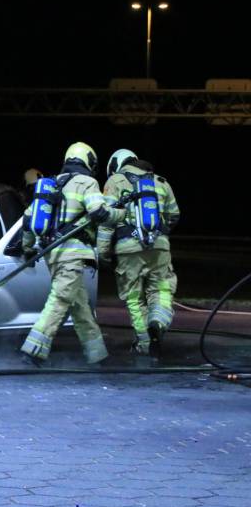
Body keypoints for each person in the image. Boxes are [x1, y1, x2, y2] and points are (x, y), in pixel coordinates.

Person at [20, 142, 126, 366]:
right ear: (89, 161)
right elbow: (99, 211)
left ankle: (97, 355)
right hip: (72, 253)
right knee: (59, 300)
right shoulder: (87, 182)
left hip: (53, 254)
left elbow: (29, 221)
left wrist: (27, 249)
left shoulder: (52, 185)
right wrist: (120, 214)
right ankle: (32, 351)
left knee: (80, 307)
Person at [97, 149, 180, 356]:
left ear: (116, 165)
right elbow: (174, 215)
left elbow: (107, 222)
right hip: (159, 248)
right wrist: (159, 235)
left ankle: (143, 343)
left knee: (134, 298)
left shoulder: (115, 181)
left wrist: (103, 254)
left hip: (128, 248)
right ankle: (158, 322)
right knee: (161, 290)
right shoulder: (161, 182)